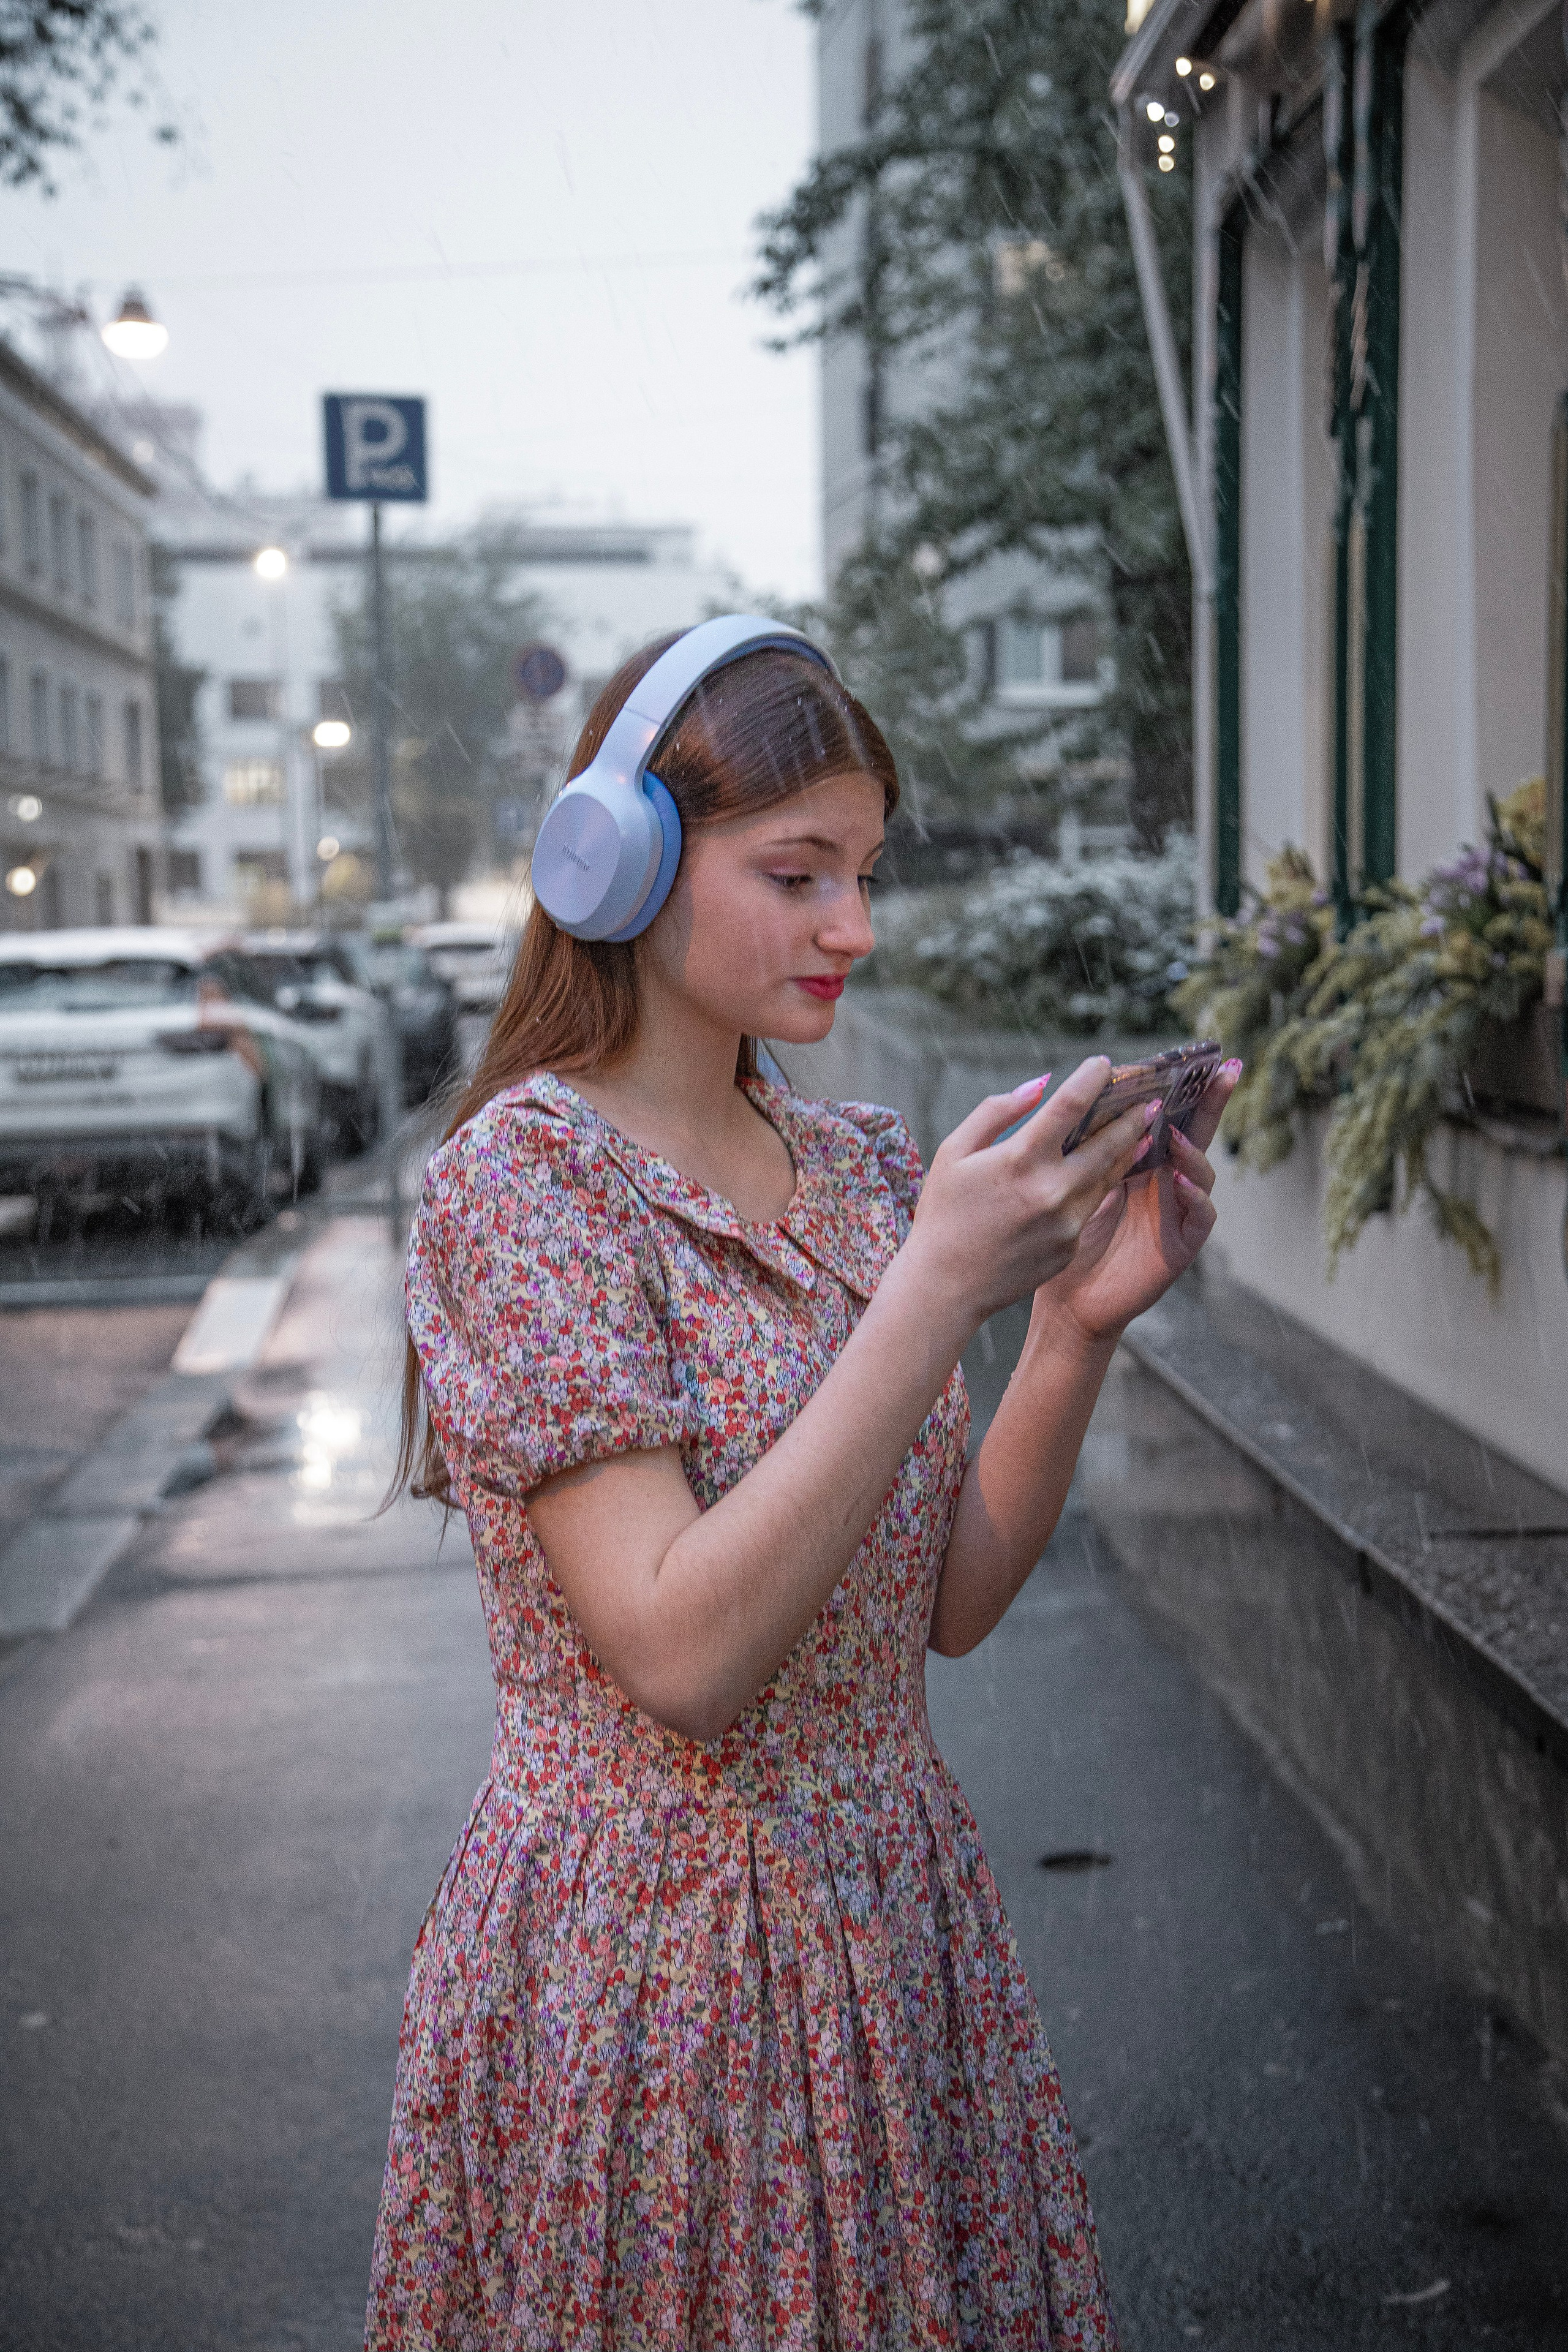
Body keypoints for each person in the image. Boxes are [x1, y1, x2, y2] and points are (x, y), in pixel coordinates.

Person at [366, 624, 1239, 2351]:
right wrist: (939, 1290)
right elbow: (684, 1657)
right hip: (647, 1968)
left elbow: (949, 1602)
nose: (856, 927)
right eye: (797, 874)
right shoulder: (527, 1189)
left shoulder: (861, 1171)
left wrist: (1072, 1326)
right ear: (617, 863)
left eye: (866, 873)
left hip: (893, 1925)